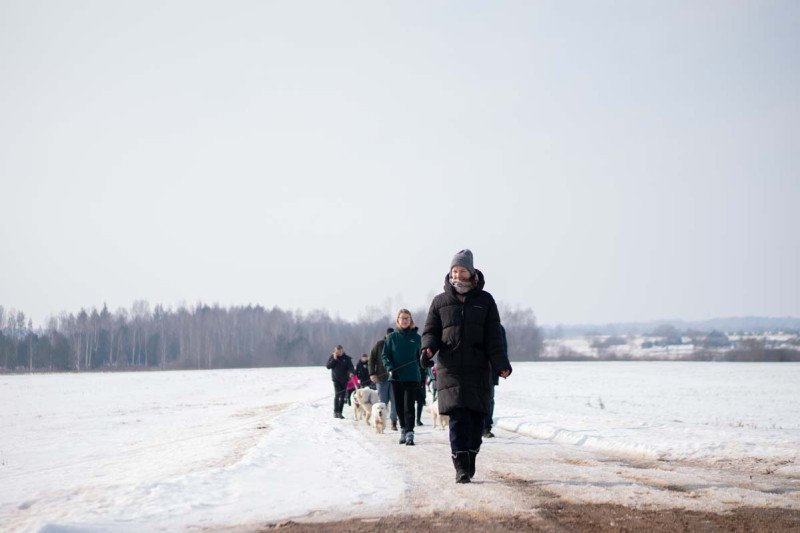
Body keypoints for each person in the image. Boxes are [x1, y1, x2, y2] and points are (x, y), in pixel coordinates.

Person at [421, 249, 512, 483]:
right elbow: (430, 331)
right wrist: (428, 349)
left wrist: (501, 364)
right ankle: (460, 466)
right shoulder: (440, 301)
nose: (458, 275)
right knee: (458, 418)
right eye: (454, 271)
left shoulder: (485, 300)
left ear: (471, 273)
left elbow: (494, 337)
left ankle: (470, 456)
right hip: (450, 368)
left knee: (476, 419)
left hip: (478, 368)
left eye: (462, 271)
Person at [382, 309, 422, 446]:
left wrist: (425, 363)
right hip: (396, 377)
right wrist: (390, 367)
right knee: (399, 405)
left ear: (410, 320)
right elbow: (385, 355)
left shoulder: (417, 338)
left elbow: (422, 357)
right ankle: (403, 429)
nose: (404, 320)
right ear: (397, 320)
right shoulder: (392, 337)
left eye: (407, 318)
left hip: (411, 376)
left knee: (409, 405)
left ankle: (410, 432)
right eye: (402, 318)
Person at [369, 328, 399, 430]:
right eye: (389, 336)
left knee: (395, 401)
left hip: (395, 378)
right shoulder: (379, 344)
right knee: (382, 402)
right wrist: (372, 373)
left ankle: (393, 421)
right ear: (386, 335)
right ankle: (380, 421)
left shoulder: (398, 344)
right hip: (381, 378)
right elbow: (371, 359)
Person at [484, 325, 508, 438]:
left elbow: (503, 349)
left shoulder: (499, 328)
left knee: (489, 399)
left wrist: (504, 366)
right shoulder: (472, 321)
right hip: (473, 368)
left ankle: (486, 427)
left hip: (491, 369)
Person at [325, 345, 355, 419]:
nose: (339, 353)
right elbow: (328, 366)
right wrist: (334, 359)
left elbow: (351, 367)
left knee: (342, 397)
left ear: (342, 350)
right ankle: (336, 412)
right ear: (335, 351)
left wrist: (351, 372)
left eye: (340, 351)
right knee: (337, 395)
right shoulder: (333, 357)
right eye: (337, 352)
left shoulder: (347, 358)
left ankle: (340, 412)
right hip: (336, 380)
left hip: (344, 380)